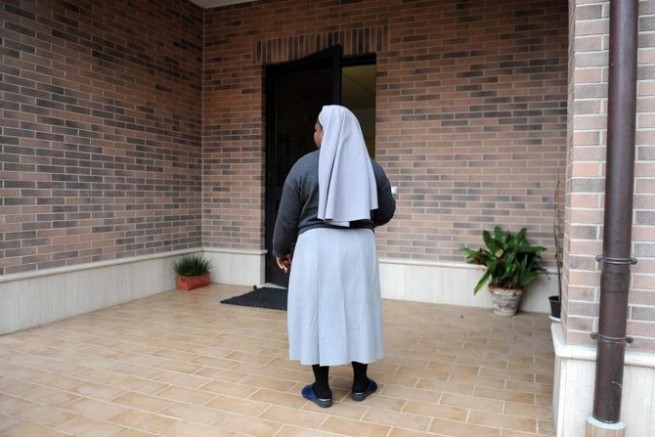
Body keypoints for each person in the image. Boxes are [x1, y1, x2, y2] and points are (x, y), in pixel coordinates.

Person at [272, 104, 396, 408]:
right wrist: (361, 219)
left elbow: (287, 218)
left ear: (326, 132)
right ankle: (360, 384)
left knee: (317, 311)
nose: (314, 133)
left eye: (317, 128)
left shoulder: (303, 166)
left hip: (316, 246)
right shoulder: (371, 168)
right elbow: (385, 212)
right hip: (359, 247)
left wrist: (280, 250)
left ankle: (322, 389)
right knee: (359, 308)